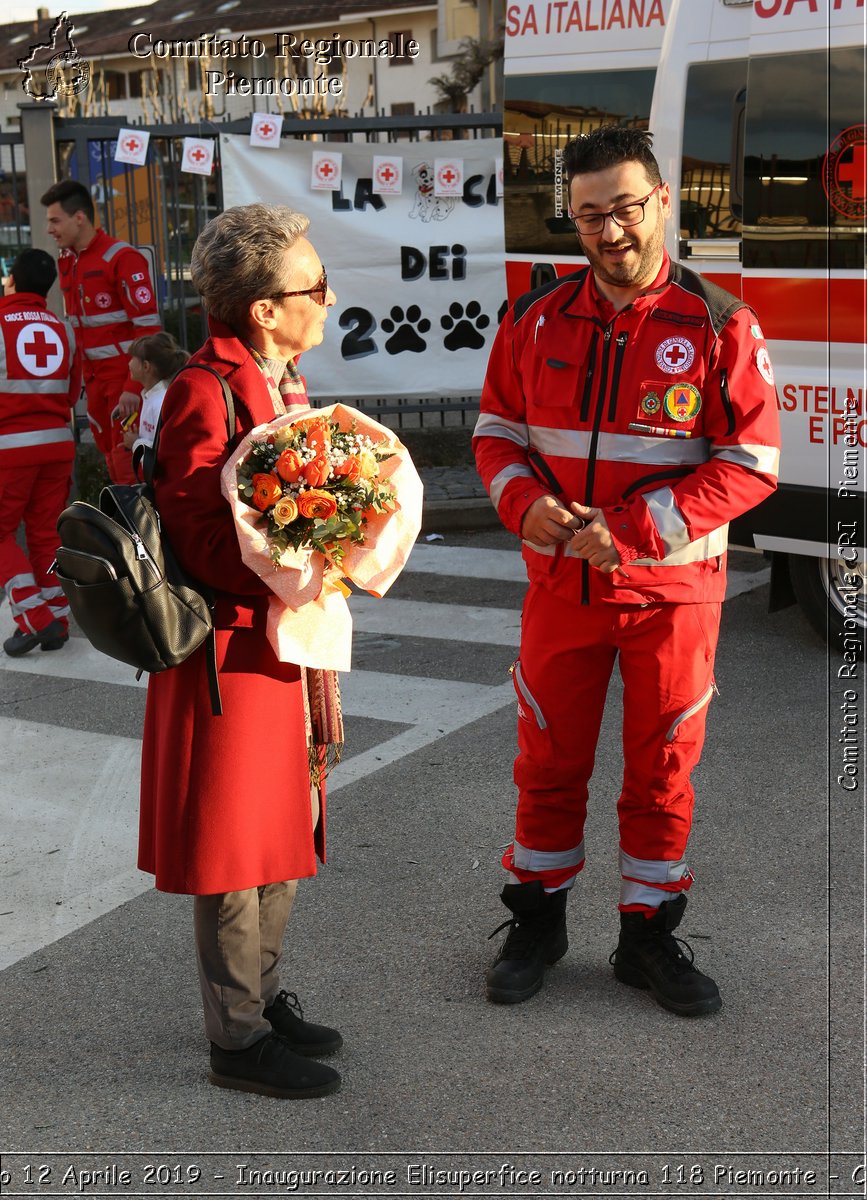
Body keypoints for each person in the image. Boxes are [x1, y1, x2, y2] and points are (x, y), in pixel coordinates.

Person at [474, 126, 781, 1016]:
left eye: (624, 208)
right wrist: (520, 503)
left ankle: (646, 936)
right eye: (587, 215)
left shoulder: (720, 324)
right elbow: (496, 433)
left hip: (672, 596)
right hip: (560, 590)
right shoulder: (535, 319)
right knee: (546, 760)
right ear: (571, 221)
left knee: (660, 769)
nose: (609, 231)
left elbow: (753, 461)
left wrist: (634, 530)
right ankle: (537, 919)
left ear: (662, 204)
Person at [138, 203, 342, 1098]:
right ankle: (236, 1039)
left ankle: (260, 994)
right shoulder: (203, 388)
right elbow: (196, 534)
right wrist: (308, 551)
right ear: (264, 306)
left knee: (286, 822)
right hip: (227, 645)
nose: (328, 299)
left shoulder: (280, 378)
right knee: (233, 843)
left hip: (280, 635)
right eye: (314, 286)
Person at [40, 179, 161, 485]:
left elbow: (148, 328)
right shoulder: (70, 261)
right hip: (94, 382)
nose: (50, 229)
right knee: (110, 455)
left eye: (55, 220)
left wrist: (134, 387)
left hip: (123, 381)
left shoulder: (121, 258)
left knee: (126, 460)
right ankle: (123, 529)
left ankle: (138, 529)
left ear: (79, 217)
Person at [0, 249, 80, 656]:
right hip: (56, 446)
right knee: (44, 532)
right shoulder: (63, 328)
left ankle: (36, 620)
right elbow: (70, 394)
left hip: (9, 449)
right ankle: (58, 618)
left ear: (11, 280)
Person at [120, 331, 189, 455]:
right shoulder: (151, 396)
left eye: (133, 358)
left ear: (146, 366)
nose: (129, 363)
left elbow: (164, 451)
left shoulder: (161, 402)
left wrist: (135, 443)